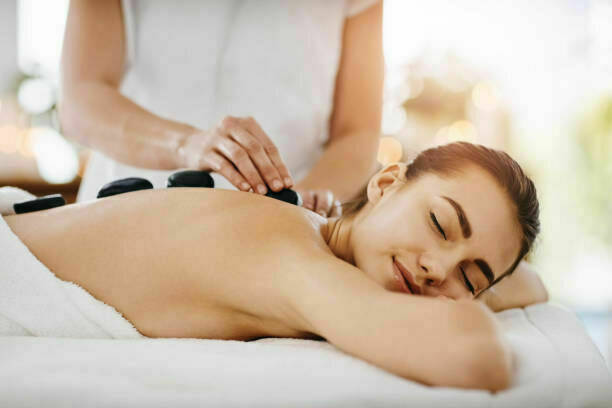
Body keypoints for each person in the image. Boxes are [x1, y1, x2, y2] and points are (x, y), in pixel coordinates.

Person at [4, 142, 547, 391]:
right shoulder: (286, 252)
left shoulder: (312, 233)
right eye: (439, 225)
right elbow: (473, 355)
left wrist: (470, 286)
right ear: (385, 183)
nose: (436, 270)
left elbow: (532, 284)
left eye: (470, 276)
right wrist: (470, 292)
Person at [59, 0, 384, 216]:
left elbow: (357, 131)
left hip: (281, 231)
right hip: (126, 211)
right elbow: (81, 98)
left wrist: (306, 200)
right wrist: (186, 144)